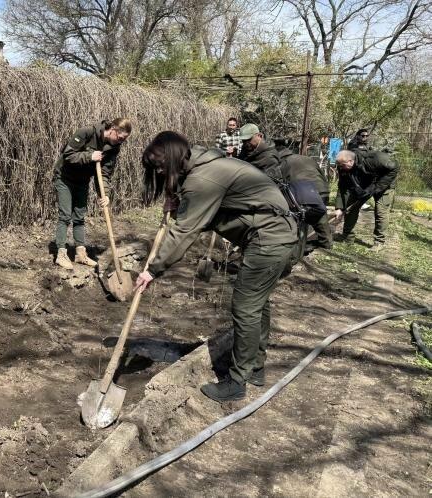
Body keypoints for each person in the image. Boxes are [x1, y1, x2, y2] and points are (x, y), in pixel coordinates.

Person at [134, 132, 297, 403]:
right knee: (257, 303)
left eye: (161, 166)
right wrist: (178, 203)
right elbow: (209, 209)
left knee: (246, 306)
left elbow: (185, 231)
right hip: (274, 234)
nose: (159, 172)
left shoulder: (203, 178)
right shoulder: (204, 164)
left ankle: (237, 382)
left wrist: (152, 269)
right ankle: (255, 368)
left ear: (174, 158)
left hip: (269, 238)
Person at [53, 118, 131, 269]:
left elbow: (104, 174)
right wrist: (89, 156)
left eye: (124, 140)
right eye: (120, 138)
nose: (121, 142)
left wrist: (105, 194)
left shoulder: (114, 148)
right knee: (65, 215)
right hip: (64, 177)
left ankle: (80, 254)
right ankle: (60, 254)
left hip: (82, 180)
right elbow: (68, 155)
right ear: (113, 130)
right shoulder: (87, 132)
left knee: (79, 216)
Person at [331, 149, 398, 246]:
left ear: (350, 161)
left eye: (342, 165)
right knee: (350, 209)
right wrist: (339, 208)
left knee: (380, 212)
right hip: (364, 186)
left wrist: (376, 187)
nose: (341, 168)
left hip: (384, 185)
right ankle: (347, 237)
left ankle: (379, 241)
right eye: (339, 165)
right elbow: (343, 187)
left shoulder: (374, 159)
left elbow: (394, 167)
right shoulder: (343, 167)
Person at [275, 139, 332, 250]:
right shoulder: (306, 158)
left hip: (305, 193)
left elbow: (280, 183)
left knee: (300, 217)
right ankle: (326, 243)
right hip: (322, 188)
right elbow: (321, 173)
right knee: (321, 216)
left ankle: (299, 247)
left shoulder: (283, 163)